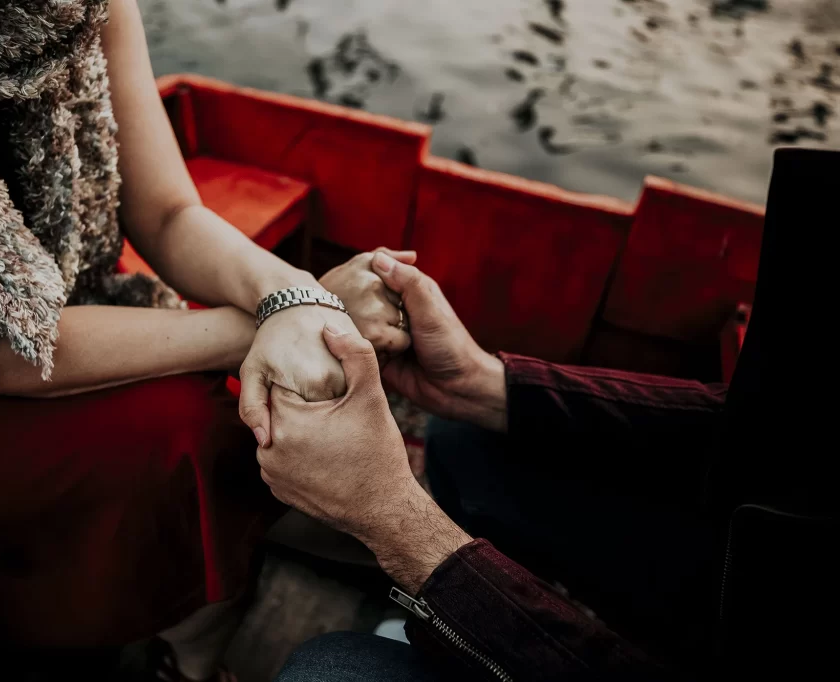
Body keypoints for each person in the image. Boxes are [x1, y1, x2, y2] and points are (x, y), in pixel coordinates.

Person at [0, 1, 407, 679]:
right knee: (197, 428)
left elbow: (167, 211)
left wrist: (294, 297)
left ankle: (194, 637)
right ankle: (183, 646)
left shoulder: (75, 7)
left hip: (66, 293)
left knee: (254, 401)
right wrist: (275, 321)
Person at [264, 148, 838, 681]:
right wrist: (486, 387)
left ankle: (456, 624)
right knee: (468, 434)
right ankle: (466, 618)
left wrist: (398, 524)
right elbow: (782, 428)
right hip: (744, 552)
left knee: (331, 670)